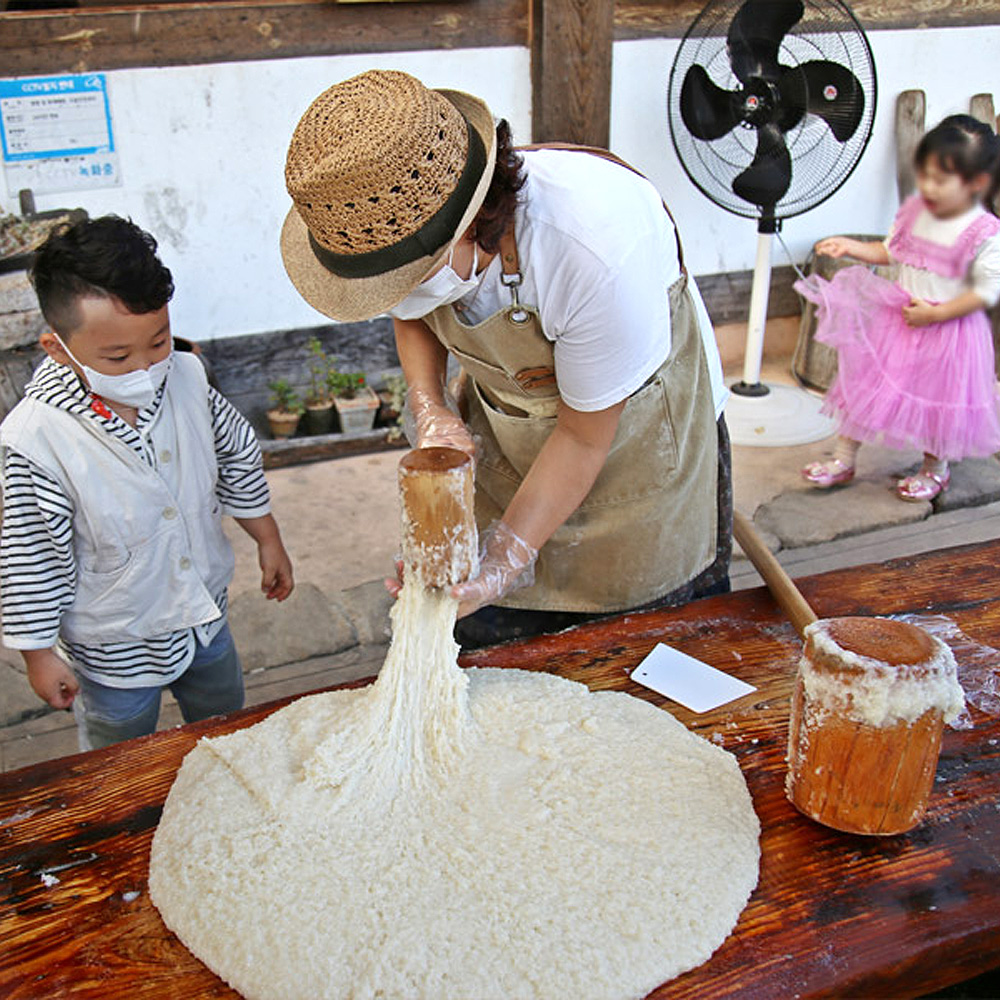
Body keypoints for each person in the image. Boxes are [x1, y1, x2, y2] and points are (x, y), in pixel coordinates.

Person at [280, 69, 729, 647]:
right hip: (512, 430)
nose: (399, 296)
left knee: (633, 648)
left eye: (410, 277)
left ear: (473, 222)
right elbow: (411, 309)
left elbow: (583, 438)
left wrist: (506, 556)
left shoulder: (592, 249)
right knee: (501, 640)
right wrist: (431, 405)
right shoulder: (404, 228)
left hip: (633, 443)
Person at [0, 216, 295, 749]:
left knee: (224, 729)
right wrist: (38, 653)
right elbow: (32, 553)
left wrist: (267, 537)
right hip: (115, 645)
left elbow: (237, 455)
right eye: (117, 357)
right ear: (57, 347)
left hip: (203, 615)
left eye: (158, 343)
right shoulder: (36, 438)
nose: (145, 367)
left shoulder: (187, 378)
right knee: (119, 755)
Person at [799, 114, 1000, 502]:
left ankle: (935, 467)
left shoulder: (984, 231)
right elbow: (890, 251)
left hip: (949, 331)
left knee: (940, 404)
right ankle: (844, 457)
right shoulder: (915, 214)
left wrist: (937, 314)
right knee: (865, 386)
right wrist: (851, 247)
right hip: (901, 321)